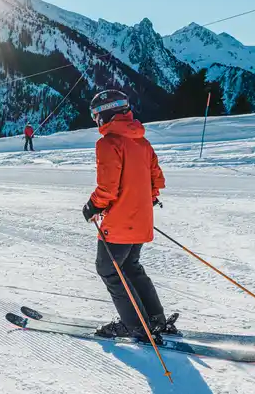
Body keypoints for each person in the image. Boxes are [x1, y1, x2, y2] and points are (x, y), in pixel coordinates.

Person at [81, 90, 179, 342]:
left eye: (96, 116)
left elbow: (108, 188)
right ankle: (155, 320)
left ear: (105, 114)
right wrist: (148, 196)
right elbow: (156, 179)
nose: (96, 122)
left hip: (120, 223)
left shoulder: (109, 143)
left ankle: (135, 326)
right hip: (142, 219)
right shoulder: (142, 142)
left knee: (109, 269)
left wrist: (93, 205)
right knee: (131, 267)